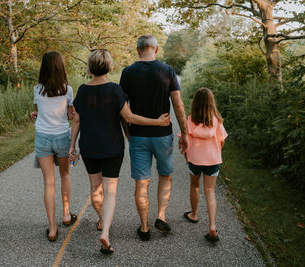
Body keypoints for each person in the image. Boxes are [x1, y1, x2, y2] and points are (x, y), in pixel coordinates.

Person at [69, 49, 170, 254]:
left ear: (90, 68)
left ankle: (101, 219)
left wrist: (72, 146)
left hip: (89, 147)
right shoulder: (115, 90)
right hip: (112, 147)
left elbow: (76, 120)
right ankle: (105, 232)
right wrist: (157, 122)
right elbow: (130, 118)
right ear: (109, 66)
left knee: (95, 188)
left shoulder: (82, 90)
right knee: (110, 191)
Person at [119, 35, 189, 241]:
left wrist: (128, 134)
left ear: (137, 49)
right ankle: (161, 216)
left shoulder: (128, 73)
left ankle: (144, 227)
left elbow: (122, 109)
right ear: (156, 49)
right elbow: (178, 105)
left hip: (138, 136)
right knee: (165, 176)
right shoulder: (167, 71)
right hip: (163, 136)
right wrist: (185, 133)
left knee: (142, 183)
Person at [31, 51, 77, 242]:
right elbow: (70, 115)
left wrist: (34, 116)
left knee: (48, 182)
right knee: (65, 175)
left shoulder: (37, 89)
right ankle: (66, 215)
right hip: (61, 137)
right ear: (61, 67)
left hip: (42, 137)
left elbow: (39, 112)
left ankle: (52, 228)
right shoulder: (68, 90)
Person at [181, 88, 228, 242]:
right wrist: (216, 150)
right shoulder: (216, 120)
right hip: (213, 160)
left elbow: (184, 140)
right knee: (210, 190)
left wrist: (186, 155)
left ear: (195, 103)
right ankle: (212, 227)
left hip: (195, 160)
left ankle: (194, 214)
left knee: (194, 186)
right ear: (211, 103)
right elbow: (221, 140)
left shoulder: (190, 120)